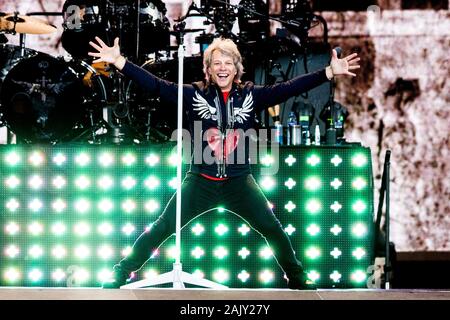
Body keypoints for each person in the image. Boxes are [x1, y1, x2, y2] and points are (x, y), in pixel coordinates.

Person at [88, 36, 360, 290]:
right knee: (161, 227)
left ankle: (297, 276)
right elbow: (157, 85)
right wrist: (120, 62)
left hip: (239, 183)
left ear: (236, 68)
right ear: (208, 69)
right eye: (216, 63)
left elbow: (289, 88)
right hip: (200, 181)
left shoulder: (252, 96)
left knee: (272, 228)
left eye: (228, 62)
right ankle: (121, 272)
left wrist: (328, 72)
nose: (222, 67)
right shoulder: (194, 95)